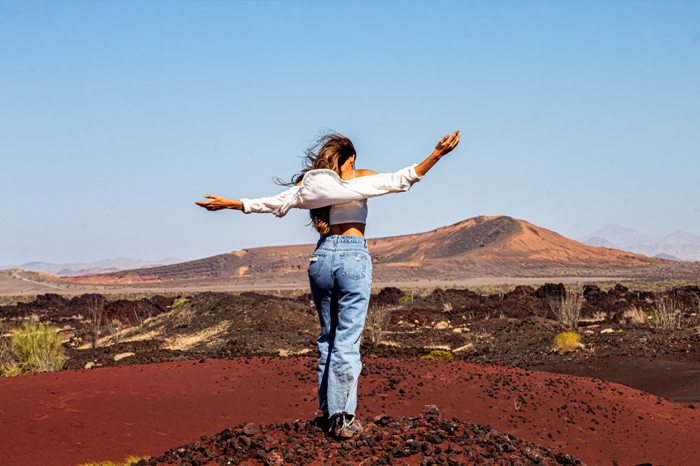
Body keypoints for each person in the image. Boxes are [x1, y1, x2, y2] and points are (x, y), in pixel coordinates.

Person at [195, 129, 460, 438]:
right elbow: (403, 179)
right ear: (350, 159)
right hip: (352, 257)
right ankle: (342, 418)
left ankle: (328, 410)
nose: (353, 168)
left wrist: (232, 203)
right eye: (352, 163)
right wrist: (437, 154)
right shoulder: (361, 180)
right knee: (347, 341)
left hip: (321, 259)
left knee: (328, 338)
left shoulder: (315, 187)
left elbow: (274, 202)